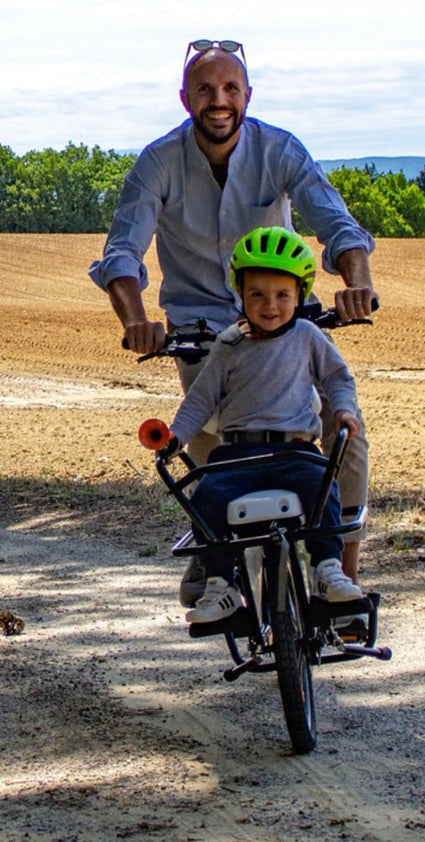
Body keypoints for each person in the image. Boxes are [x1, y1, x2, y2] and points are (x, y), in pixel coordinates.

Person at [88, 39, 376, 605]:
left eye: (229, 89)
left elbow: (335, 222)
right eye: (204, 89)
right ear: (185, 98)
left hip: (280, 316)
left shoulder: (280, 150)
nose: (217, 100)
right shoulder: (159, 161)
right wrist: (137, 320)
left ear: (247, 96)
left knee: (346, 436)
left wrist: (357, 282)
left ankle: (343, 576)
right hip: (200, 332)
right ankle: (211, 550)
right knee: (205, 445)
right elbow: (123, 250)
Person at [161, 227, 363, 623]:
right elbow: (200, 398)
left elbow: (338, 378)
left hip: (294, 450)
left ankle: (327, 569)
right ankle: (221, 586)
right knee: (208, 497)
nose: (270, 305)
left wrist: (343, 410)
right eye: (257, 295)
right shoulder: (229, 344)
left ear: (299, 295)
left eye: (282, 296)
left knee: (322, 484)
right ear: (240, 293)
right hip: (236, 455)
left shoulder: (307, 335)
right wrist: (175, 436)